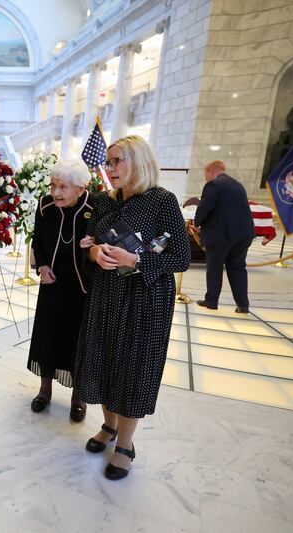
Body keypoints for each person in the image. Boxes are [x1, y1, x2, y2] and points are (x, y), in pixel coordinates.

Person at [74, 135, 190, 480]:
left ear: (138, 162)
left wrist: (135, 260)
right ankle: (109, 428)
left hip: (143, 301)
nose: (109, 169)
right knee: (102, 360)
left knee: (131, 368)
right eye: (107, 162)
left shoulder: (162, 201)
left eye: (116, 161)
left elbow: (181, 258)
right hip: (105, 295)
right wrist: (93, 252)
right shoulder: (106, 201)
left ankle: (125, 444)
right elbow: (92, 242)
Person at [27, 159, 96, 422]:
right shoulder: (45, 206)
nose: (56, 192)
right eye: (54, 185)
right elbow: (38, 240)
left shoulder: (94, 207)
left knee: (77, 341)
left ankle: (78, 398)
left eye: (63, 187)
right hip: (52, 283)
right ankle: (44, 390)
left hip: (83, 287)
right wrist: (42, 266)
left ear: (80, 188)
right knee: (48, 335)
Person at [193, 160, 255, 313]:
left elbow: (205, 207)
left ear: (212, 170)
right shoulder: (237, 185)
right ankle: (243, 305)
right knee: (238, 268)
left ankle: (211, 301)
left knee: (214, 267)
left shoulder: (214, 185)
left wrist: (197, 222)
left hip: (221, 234)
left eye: (205, 174)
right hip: (243, 234)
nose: (206, 178)